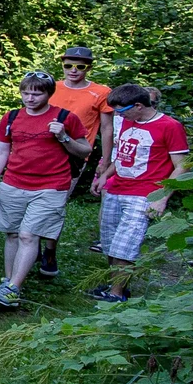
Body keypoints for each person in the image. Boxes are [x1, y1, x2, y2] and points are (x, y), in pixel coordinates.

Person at [0, 72, 91, 308]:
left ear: (49, 93)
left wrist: (63, 137)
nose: (30, 98)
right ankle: (8, 282)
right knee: (11, 233)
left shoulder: (65, 117)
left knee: (28, 235)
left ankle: (13, 289)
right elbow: (2, 152)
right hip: (13, 183)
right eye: (25, 92)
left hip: (51, 186)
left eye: (36, 93)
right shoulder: (11, 117)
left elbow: (84, 150)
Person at [90, 85, 188, 302]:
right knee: (110, 243)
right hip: (117, 188)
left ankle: (116, 294)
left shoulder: (170, 126)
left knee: (125, 245)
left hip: (145, 193)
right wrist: (105, 175)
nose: (118, 115)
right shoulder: (128, 121)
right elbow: (124, 154)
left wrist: (162, 198)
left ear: (139, 106)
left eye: (122, 111)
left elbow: (182, 167)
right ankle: (115, 285)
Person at [43, 47, 112, 278]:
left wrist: (105, 161)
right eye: (69, 65)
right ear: (62, 65)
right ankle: (29, 245)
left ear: (88, 67)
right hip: (40, 152)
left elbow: (107, 128)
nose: (74, 70)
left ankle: (49, 251)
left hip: (72, 155)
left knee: (56, 205)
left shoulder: (101, 92)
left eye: (80, 66)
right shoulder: (51, 87)